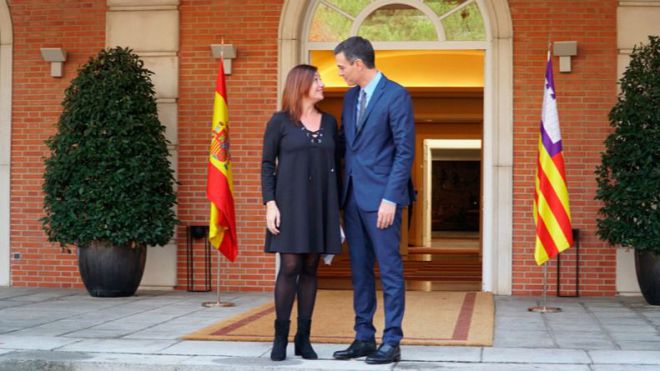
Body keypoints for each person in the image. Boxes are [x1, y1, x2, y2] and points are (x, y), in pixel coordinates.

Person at [331, 36, 415, 365]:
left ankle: (392, 340)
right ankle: (363, 336)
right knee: (360, 271)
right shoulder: (350, 99)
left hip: (382, 201)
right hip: (352, 199)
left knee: (390, 271)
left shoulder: (396, 95)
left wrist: (391, 198)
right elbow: (343, 145)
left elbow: (404, 150)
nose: (339, 73)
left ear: (358, 64)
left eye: (341, 67)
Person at [261, 64, 342, 361]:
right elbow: (267, 165)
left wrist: (340, 210)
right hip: (289, 205)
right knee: (290, 266)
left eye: (321, 79)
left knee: (310, 268)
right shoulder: (279, 122)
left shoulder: (331, 122)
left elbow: (339, 165)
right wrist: (270, 203)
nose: (322, 84)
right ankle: (279, 336)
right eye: (317, 79)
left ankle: (303, 339)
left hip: (321, 204)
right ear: (301, 85)